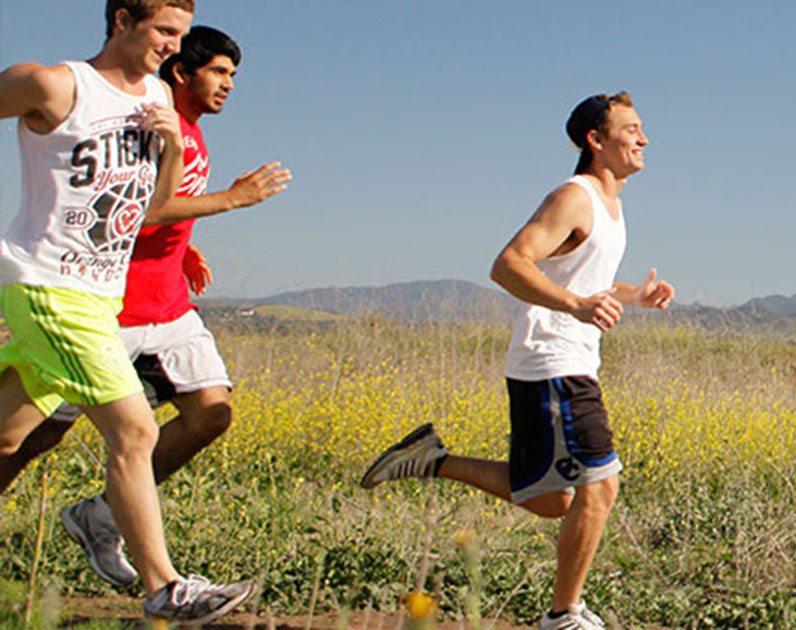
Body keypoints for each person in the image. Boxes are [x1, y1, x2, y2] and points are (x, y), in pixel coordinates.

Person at [361, 92, 674, 630]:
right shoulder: (574, 196)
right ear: (595, 141)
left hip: (560, 360)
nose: (643, 138)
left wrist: (630, 296)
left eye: (643, 128)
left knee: (553, 499)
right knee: (601, 486)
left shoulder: (610, 205)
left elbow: (580, 276)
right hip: (553, 359)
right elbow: (508, 265)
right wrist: (577, 305)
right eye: (632, 128)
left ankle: (432, 459)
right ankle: (563, 615)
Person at [0, 23, 292, 591]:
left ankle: (113, 523)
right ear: (183, 70)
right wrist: (230, 200)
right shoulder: (132, 119)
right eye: (219, 72)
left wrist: (186, 245)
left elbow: (154, 207)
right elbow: (123, 209)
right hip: (97, 306)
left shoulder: (181, 129)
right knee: (24, 438)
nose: (229, 85)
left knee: (206, 412)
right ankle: (162, 584)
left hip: (162, 307)